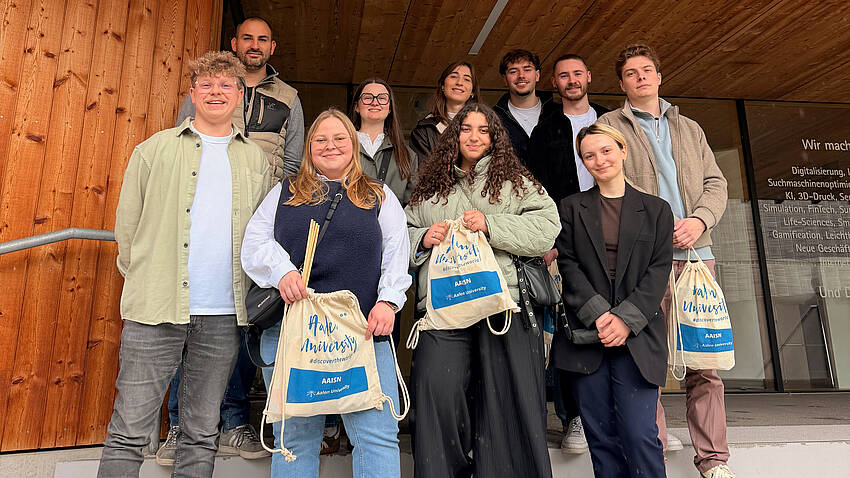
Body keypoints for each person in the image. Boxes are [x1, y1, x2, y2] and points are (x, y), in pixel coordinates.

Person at [98, 51, 270, 478]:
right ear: (192, 94)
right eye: (206, 85)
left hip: (223, 315)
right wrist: (143, 275)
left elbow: (261, 234)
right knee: (129, 431)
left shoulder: (257, 161)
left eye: (225, 85)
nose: (215, 91)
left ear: (239, 95)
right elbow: (127, 227)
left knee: (200, 431)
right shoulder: (153, 150)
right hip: (155, 310)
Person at [160, 16, 304, 464]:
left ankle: (234, 422)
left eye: (263, 39)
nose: (255, 45)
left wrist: (269, 213)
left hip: (255, 225)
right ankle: (180, 427)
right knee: (191, 323)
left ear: (272, 47)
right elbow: (187, 144)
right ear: (234, 42)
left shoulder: (290, 98)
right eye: (248, 37)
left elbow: (294, 160)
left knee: (242, 323)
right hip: (200, 221)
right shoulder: (209, 88)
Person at [241, 108, 412, 478]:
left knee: (377, 435)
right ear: (308, 148)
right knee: (295, 439)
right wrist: (282, 270)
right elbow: (254, 244)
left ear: (353, 145)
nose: (330, 145)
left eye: (339, 139)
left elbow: (398, 255)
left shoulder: (378, 196)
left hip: (362, 329)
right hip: (294, 328)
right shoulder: (284, 192)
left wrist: (388, 301)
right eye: (320, 139)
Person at [597, 44, 732, 478]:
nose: (641, 77)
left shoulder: (689, 127)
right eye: (631, 72)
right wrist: (661, 219)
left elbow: (716, 181)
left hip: (697, 257)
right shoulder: (608, 126)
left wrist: (699, 219)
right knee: (646, 363)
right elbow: (613, 179)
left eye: (647, 70)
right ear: (621, 84)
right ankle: (649, 456)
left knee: (704, 365)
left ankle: (713, 462)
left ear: (658, 76)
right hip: (644, 260)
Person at [406, 103, 559, 478]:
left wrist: (492, 226)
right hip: (443, 309)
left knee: (507, 406)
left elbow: (547, 228)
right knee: (435, 394)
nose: (474, 136)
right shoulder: (429, 188)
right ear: (453, 136)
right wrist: (423, 239)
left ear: (494, 138)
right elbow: (401, 234)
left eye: (484, 130)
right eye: (466, 129)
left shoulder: (517, 182)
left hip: (503, 305)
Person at [553, 122, 673, 478]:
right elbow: (568, 265)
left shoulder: (656, 210)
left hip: (638, 338)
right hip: (588, 337)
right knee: (601, 440)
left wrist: (625, 319)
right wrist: (601, 315)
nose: (598, 160)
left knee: (639, 436)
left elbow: (658, 270)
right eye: (589, 155)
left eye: (606, 151)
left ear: (622, 150)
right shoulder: (572, 207)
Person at [526, 52, 610, 455]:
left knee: (616, 319)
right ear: (554, 84)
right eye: (564, 76)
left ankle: (627, 414)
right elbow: (538, 185)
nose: (572, 80)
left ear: (589, 76)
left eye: (578, 73)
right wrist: (547, 238)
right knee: (567, 327)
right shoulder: (545, 128)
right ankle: (573, 416)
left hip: (611, 232)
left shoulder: (611, 122)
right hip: (563, 237)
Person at [409, 61, 480, 164]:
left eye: (467, 79)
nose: (459, 83)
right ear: (442, 85)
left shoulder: (486, 126)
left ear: (472, 91)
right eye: (454, 76)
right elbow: (423, 173)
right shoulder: (424, 130)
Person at [493, 49, 552, 165]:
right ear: (505, 79)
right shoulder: (493, 118)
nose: (521, 76)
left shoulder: (556, 112)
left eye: (527, 70)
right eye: (513, 71)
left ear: (537, 75)